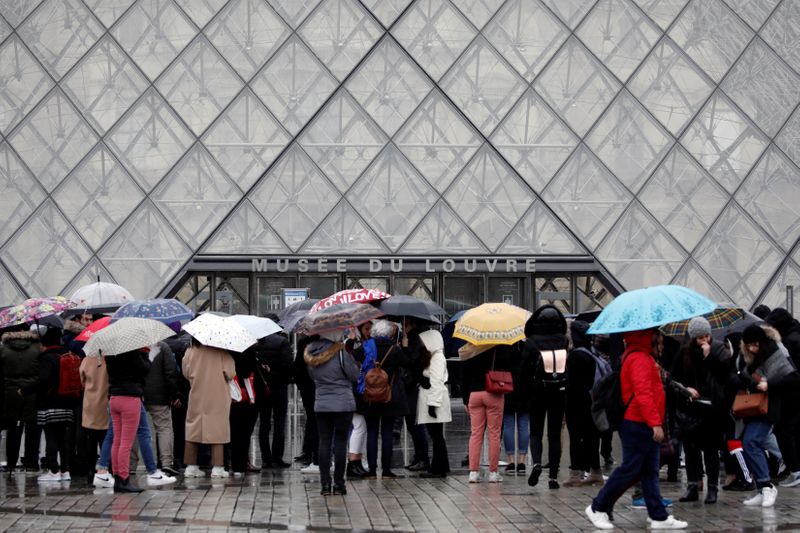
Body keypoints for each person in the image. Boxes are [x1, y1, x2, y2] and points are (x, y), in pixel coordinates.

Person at [585, 328, 688, 530]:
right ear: (647, 337)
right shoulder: (639, 358)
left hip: (640, 422)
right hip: (637, 423)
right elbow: (643, 394)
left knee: (649, 471)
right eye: (657, 338)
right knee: (630, 469)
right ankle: (598, 507)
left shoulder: (640, 356)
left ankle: (658, 515)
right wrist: (655, 423)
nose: (661, 342)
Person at [734, 324, 800, 507]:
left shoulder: (775, 353)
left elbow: (793, 377)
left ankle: (768, 486)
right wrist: (744, 377)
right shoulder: (747, 355)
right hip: (751, 406)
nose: (752, 349)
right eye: (748, 345)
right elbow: (742, 375)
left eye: (755, 345)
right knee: (748, 444)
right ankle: (762, 488)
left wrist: (769, 384)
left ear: (762, 342)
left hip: (769, 407)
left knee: (751, 442)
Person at [670, 317, 731, 504]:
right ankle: (693, 486)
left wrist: (709, 357)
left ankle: (712, 488)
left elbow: (725, 375)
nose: (703, 340)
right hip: (691, 408)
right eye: (699, 337)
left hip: (712, 409)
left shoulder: (720, 349)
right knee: (691, 449)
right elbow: (674, 378)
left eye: (706, 336)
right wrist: (686, 390)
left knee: (711, 450)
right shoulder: (685, 352)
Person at [304, 331, 359, 495]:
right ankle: (339, 484)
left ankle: (325, 485)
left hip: (321, 404)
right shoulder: (341, 353)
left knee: (324, 443)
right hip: (343, 404)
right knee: (341, 443)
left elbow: (312, 376)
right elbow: (354, 375)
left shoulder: (310, 354)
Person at [522, 305, 569, 489]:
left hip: (537, 392)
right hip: (558, 391)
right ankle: (553, 477)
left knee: (536, 432)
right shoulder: (563, 341)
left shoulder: (531, 342)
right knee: (554, 434)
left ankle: (536, 464)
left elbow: (524, 371)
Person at [23, 327, 78, 483]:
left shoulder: (47, 358)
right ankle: (65, 470)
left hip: (50, 403)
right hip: (67, 402)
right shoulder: (66, 354)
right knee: (63, 439)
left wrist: (26, 390)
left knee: (51, 437)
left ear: (45, 343)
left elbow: (43, 380)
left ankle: (54, 470)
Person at [361, 320, 410, 479]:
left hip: (370, 395)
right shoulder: (394, 349)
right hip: (389, 396)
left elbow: (354, 358)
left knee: (372, 432)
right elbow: (408, 363)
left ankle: (372, 470)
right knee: (387, 432)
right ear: (389, 333)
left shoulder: (367, 346)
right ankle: (387, 470)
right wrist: (405, 346)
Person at [182, 339, 236, 479]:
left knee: (193, 428)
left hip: (197, 395)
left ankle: (191, 467)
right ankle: (217, 468)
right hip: (217, 396)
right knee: (217, 430)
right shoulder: (221, 352)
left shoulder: (190, 351)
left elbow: (186, 373)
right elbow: (230, 373)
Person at [460, 342, 512, 483]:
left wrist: (465, 399)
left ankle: (473, 472)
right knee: (494, 434)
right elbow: (509, 365)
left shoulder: (470, 349)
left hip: (474, 395)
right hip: (493, 393)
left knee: (476, 434)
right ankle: (493, 473)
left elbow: (464, 377)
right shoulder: (499, 348)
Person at [105, 348, 151, 493]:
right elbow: (144, 370)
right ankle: (124, 478)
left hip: (114, 397)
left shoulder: (110, 351)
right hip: (129, 397)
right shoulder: (132, 351)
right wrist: (147, 355)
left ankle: (117, 478)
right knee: (126, 442)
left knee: (117, 440)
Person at [564, 320, 603, 487]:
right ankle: (596, 472)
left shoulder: (575, 356)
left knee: (575, 437)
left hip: (576, 403)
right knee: (591, 437)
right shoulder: (592, 354)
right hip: (591, 400)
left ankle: (575, 475)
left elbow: (572, 383)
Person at [765, 308, 800, 488]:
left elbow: (790, 371)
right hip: (793, 394)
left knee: (784, 431)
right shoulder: (794, 336)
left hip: (792, 394)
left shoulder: (790, 342)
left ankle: (796, 471)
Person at [253, 316, 293, 468]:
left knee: (264, 423)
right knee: (279, 422)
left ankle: (265, 458)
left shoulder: (256, 342)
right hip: (279, 387)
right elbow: (289, 365)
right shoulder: (282, 342)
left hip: (262, 388)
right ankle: (277, 457)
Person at [1, 327, 41, 475]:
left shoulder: (4, 348)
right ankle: (31, 462)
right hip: (32, 391)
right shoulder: (36, 347)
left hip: (10, 392)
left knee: (13, 427)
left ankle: (11, 462)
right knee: (32, 427)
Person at [416, 330, 451, 478]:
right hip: (433, 399)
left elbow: (436, 382)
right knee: (436, 436)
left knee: (436, 436)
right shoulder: (434, 356)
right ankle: (440, 465)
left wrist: (432, 405)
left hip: (434, 401)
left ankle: (438, 467)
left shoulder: (437, 358)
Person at [143, 341, 181, 476]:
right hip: (159, 394)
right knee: (164, 428)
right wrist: (174, 394)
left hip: (139, 394)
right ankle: (166, 462)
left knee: (135, 430)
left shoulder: (134, 345)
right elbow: (170, 371)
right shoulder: (163, 346)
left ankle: (130, 464)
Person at [401, 317, 430, 472]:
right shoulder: (411, 339)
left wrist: (404, 348)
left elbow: (411, 363)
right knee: (412, 425)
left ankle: (423, 458)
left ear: (412, 325)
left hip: (413, 387)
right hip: (409, 387)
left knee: (416, 425)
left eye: (406, 324)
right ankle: (418, 457)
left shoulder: (415, 341)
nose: (403, 327)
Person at [344, 321, 372, 478]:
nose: (369, 331)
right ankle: (353, 462)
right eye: (367, 328)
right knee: (359, 425)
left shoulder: (362, 343)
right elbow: (349, 361)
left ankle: (356, 461)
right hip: (354, 389)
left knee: (360, 426)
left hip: (359, 389)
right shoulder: (351, 344)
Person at [228, 349, 259, 477]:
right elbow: (247, 372)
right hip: (244, 396)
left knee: (233, 432)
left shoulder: (226, 351)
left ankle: (233, 464)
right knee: (244, 434)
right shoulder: (248, 350)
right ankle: (241, 464)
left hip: (231, 396)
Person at [79, 353, 108, 485]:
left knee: (91, 439)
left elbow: (82, 379)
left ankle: (90, 471)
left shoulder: (87, 359)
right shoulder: (110, 358)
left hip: (90, 402)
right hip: (105, 402)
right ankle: (105, 469)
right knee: (105, 438)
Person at [501, 338, 529, 477]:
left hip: (507, 389)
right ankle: (522, 461)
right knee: (524, 425)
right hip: (525, 390)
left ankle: (511, 461)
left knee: (508, 425)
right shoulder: (527, 347)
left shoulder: (503, 347)